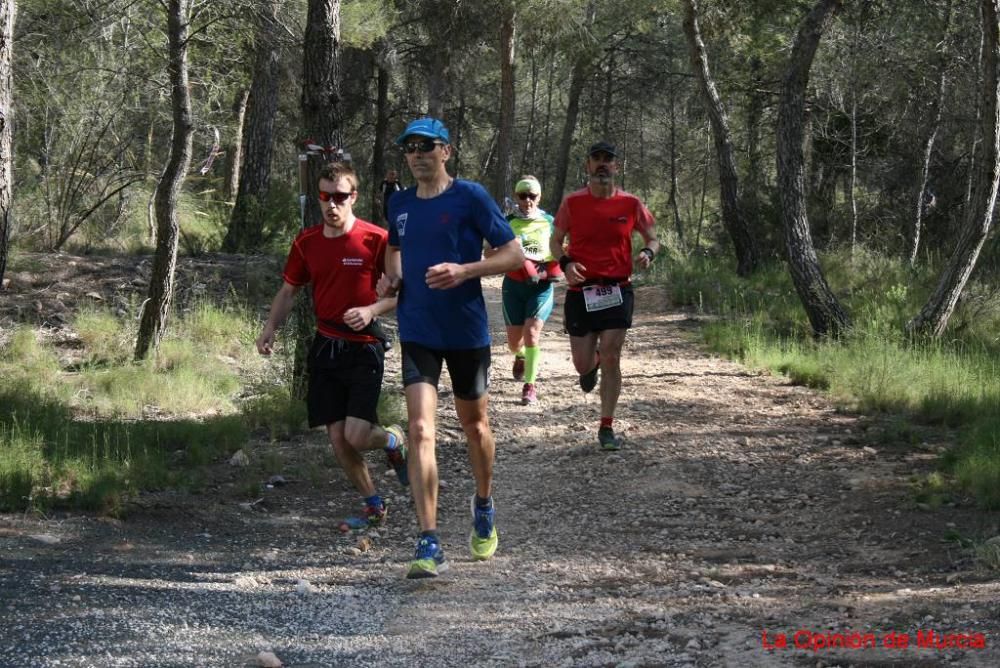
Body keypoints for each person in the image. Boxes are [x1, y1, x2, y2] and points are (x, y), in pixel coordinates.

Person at [378, 116, 524, 579]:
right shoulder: (398, 203)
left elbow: (514, 254)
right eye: (410, 147)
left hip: (465, 330)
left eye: (427, 146)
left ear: (447, 151)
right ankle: (429, 539)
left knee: (475, 428)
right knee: (420, 429)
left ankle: (483, 503)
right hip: (417, 329)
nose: (418, 153)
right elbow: (394, 248)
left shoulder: (471, 197)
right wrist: (393, 276)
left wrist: (465, 270)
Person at [256, 161, 408, 528]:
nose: (332, 204)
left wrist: (371, 309)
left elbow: (400, 295)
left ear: (353, 196)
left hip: (364, 347)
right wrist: (270, 328)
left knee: (357, 435)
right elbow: (289, 290)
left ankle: (392, 441)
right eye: (325, 196)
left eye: (340, 196)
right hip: (326, 345)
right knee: (338, 439)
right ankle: (374, 505)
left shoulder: (376, 239)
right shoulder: (306, 242)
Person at [549, 141, 660, 451]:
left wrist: (648, 251)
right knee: (581, 364)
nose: (602, 165)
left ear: (616, 167)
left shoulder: (631, 203)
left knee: (613, 353)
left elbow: (653, 237)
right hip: (580, 291)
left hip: (617, 288)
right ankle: (591, 363)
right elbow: (555, 241)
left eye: (607, 160)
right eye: (596, 159)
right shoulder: (573, 203)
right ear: (587, 166)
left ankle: (606, 425)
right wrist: (566, 263)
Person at [501, 175, 562, 405]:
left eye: (532, 196)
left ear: (539, 197)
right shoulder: (507, 222)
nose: (527, 200)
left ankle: (530, 385)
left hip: (541, 286)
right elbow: (493, 251)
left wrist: (553, 269)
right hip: (513, 286)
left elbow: (561, 248)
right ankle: (520, 355)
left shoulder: (549, 221)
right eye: (522, 195)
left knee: (532, 334)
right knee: (514, 343)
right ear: (516, 197)